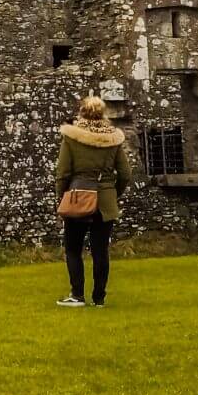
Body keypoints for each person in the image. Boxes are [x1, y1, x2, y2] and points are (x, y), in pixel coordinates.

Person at [54, 94, 134, 307]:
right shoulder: (113, 139)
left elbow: (62, 173)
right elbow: (125, 173)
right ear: (102, 114)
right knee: (100, 251)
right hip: (105, 201)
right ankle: (99, 298)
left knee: (73, 248)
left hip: (78, 196)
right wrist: (113, 194)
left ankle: (77, 295)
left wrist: (62, 197)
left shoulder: (72, 138)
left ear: (82, 112)